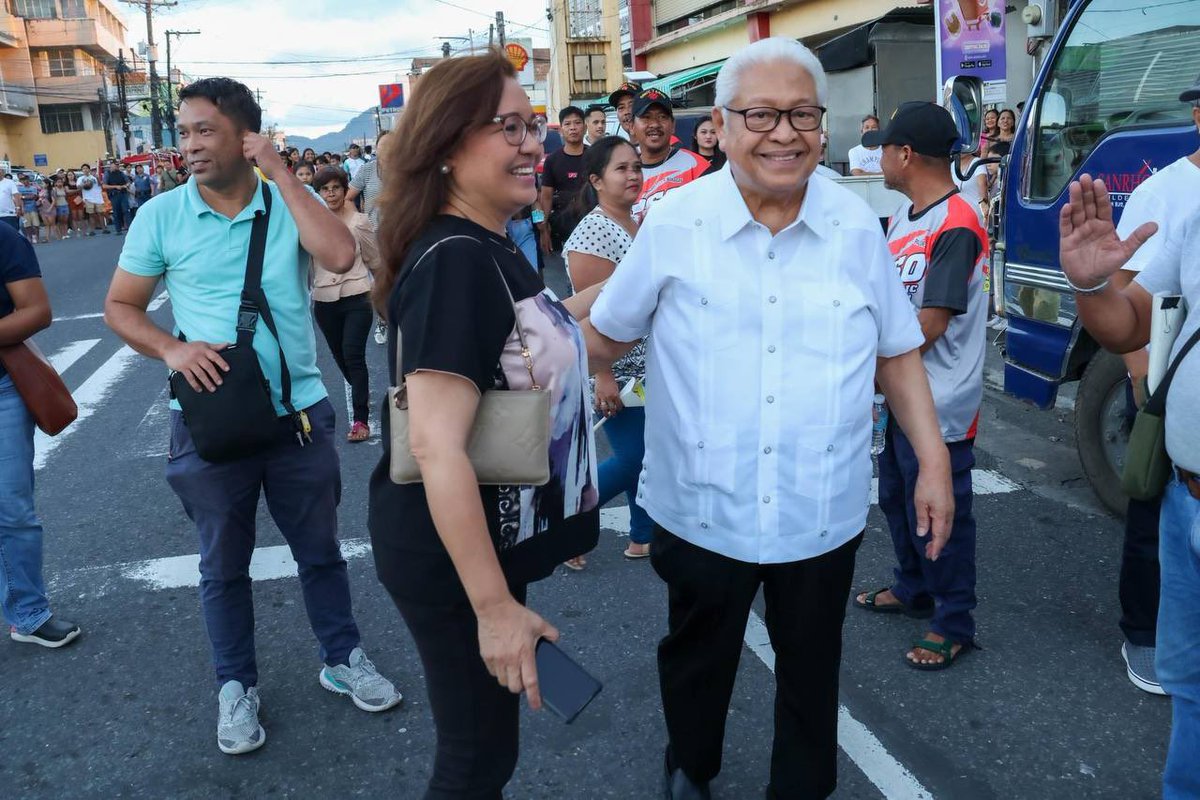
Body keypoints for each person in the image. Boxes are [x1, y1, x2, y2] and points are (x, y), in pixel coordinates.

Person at [572, 38, 953, 799]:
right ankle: (692, 767)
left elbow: (898, 354)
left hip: (821, 508)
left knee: (812, 669)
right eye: (761, 114)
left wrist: (934, 464)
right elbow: (605, 331)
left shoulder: (854, 226)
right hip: (701, 507)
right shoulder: (675, 223)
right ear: (720, 123)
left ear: (823, 124)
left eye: (803, 115)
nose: (785, 133)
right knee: (697, 657)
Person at [104, 77, 401, 756]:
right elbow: (121, 307)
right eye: (184, 132)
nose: (189, 146)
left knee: (320, 550)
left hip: (298, 414)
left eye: (204, 130)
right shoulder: (161, 217)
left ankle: (342, 656)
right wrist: (171, 348)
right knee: (222, 565)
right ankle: (235, 686)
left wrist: (282, 174)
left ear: (244, 137)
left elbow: (339, 256)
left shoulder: (283, 203)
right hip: (210, 420)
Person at [367, 51, 599, 798]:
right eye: (509, 128)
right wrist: (493, 608)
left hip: (482, 546)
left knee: (486, 749)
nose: (533, 144)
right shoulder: (457, 260)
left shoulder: (487, 243)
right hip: (452, 560)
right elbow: (435, 442)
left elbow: (534, 346)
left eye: (532, 125)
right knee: (476, 758)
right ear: (445, 146)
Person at [1057, 78, 1200, 800]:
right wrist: (1090, 285)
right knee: (1192, 695)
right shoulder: (1192, 211)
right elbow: (1127, 325)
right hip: (1187, 496)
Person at [854, 102, 987, 670]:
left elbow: (932, 322)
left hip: (940, 403)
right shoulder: (907, 217)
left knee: (940, 512)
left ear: (905, 154)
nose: (877, 155)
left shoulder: (956, 220)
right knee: (895, 497)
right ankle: (913, 588)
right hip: (901, 397)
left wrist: (872, 367)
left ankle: (952, 620)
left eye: (885, 147)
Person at [1103, 89, 1200, 696]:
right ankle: (1142, 633)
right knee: (1151, 512)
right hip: (1168, 388)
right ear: (1197, 114)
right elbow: (1122, 291)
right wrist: (1141, 378)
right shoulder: (1164, 191)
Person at [562, 137, 649, 563]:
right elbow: (590, 316)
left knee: (644, 450)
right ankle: (569, 517)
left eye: (637, 167)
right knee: (637, 456)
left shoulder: (636, 221)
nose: (634, 175)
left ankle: (642, 535)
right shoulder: (594, 232)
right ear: (596, 180)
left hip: (647, 365)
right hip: (618, 367)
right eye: (622, 169)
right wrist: (604, 376)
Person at [0, 221, 82, 648]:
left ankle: (28, 612)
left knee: (12, 508)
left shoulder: (3, 237)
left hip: (3, 389)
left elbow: (36, 310)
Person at [311, 166, 379, 443]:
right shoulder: (311, 223)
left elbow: (375, 260)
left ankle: (361, 419)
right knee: (340, 358)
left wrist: (387, 296)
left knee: (353, 354)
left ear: (344, 189)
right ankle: (360, 391)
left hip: (358, 296)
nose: (331, 193)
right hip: (325, 301)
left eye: (336, 188)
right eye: (325, 189)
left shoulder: (360, 221)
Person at [629, 88, 709, 220]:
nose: (654, 124)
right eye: (646, 117)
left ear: (673, 126)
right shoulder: (622, 172)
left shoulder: (696, 167)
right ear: (632, 126)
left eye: (662, 117)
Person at [347, 131, 388, 345]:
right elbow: (348, 197)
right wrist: (357, 221)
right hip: (374, 233)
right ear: (377, 149)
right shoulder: (367, 169)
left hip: (405, 232)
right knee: (381, 282)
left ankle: (405, 320)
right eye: (383, 146)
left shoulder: (408, 169)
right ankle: (383, 319)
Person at [538, 105, 588, 254]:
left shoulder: (595, 156)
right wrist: (543, 228)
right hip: (564, 225)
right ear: (561, 129)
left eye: (577, 123)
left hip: (592, 221)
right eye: (567, 124)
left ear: (585, 127)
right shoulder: (552, 160)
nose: (573, 128)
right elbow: (544, 196)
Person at [102, 160, 131, 234]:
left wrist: (126, 185)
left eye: (117, 165)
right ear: (111, 165)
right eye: (115, 165)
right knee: (116, 212)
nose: (117, 166)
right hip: (114, 195)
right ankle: (118, 229)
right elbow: (104, 185)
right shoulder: (107, 174)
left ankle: (130, 228)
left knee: (126, 210)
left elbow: (128, 182)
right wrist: (116, 186)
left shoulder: (121, 173)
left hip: (123, 194)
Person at [77, 164, 106, 235]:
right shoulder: (80, 179)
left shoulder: (94, 177)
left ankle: (104, 229)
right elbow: (78, 187)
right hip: (88, 198)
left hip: (98, 198)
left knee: (100, 213)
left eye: (86, 168)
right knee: (91, 214)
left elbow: (100, 185)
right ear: (82, 170)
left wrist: (98, 178)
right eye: (83, 169)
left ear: (89, 169)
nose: (85, 170)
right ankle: (92, 230)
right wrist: (86, 184)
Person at [16, 174, 40, 245]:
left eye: (27, 180)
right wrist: (25, 197)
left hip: (33, 208)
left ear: (29, 180)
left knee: (36, 225)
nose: (25, 181)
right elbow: (19, 198)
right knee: (27, 225)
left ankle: (36, 237)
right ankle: (30, 238)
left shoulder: (33, 188)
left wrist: (23, 197)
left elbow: (34, 197)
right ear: (22, 181)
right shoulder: (20, 188)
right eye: (24, 180)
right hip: (25, 209)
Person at [0, 166, 17, 232]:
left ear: (3, 173)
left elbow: (16, 195)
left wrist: (18, 207)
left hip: (8, 214)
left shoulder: (9, 182)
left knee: (11, 233)